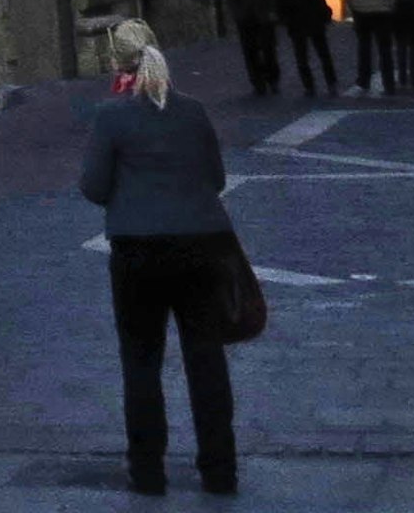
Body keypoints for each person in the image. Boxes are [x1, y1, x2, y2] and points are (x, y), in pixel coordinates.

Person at [78, 25, 240, 497]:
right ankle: (220, 469)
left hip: (138, 249)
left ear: (117, 63)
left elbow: (93, 186)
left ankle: (147, 471)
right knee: (206, 360)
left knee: (142, 362)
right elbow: (216, 176)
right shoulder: (193, 112)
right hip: (200, 243)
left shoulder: (112, 117)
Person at [337, 0, 404, 94]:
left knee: (364, 47)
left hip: (361, 11)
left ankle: (364, 79)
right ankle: (389, 81)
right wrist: (390, 5)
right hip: (382, 10)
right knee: (384, 48)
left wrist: (352, 6)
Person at [271, 0, 337, 98]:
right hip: (300, 26)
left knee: (321, 55)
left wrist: (324, 15)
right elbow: (282, 9)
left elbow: (318, 2)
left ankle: (329, 82)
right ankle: (310, 85)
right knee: (304, 57)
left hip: (311, 24)